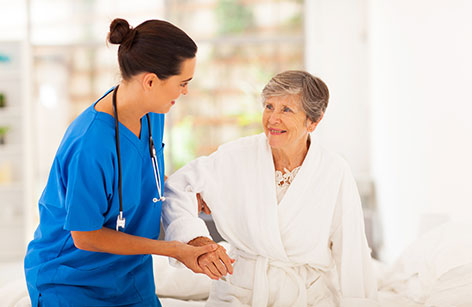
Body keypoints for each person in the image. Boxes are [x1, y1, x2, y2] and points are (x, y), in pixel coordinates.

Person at [24, 18, 233, 307]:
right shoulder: (91, 143)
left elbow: (141, 176)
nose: (185, 92)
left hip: (130, 276)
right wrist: (173, 249)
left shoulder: (153, 113)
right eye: (182, 83)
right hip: (73, 281)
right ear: (150, 81)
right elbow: (85, 236)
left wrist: (189, 194)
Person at [162, 70, 379, 307]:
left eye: (286, 110)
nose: (273, 119)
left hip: (308, 296)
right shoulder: (236, 155)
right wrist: (195, 238)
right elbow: (177, 188)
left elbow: (352, 250)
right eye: (269, 106)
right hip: (240, 291)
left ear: (314, 121)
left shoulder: (334, 170)